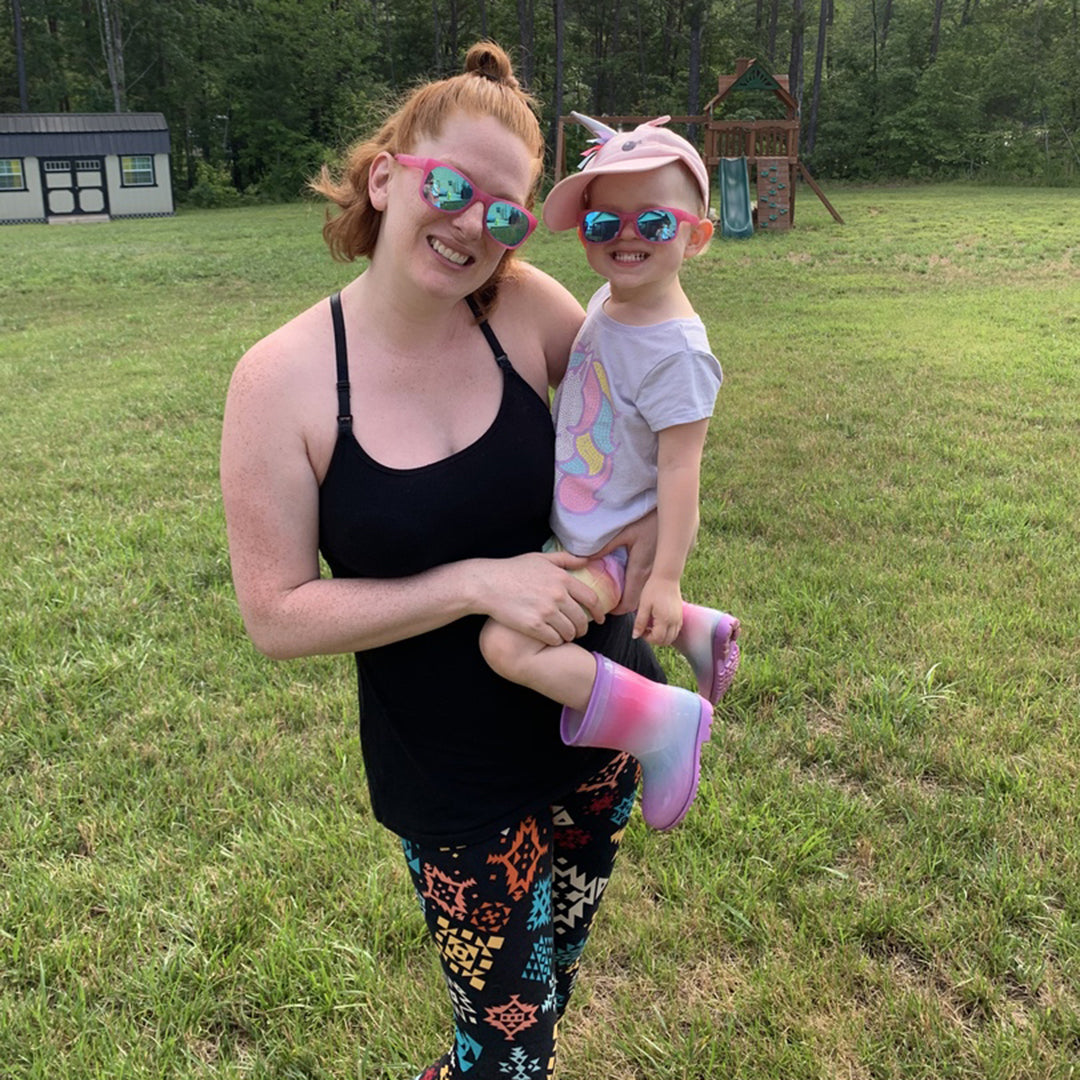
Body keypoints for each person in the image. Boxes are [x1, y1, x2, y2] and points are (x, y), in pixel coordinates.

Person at [221, 42, 670, 1080]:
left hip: (596, 721)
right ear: (386, 177)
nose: (474, 226)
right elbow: (275, 615)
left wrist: (641, 549)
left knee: (544, 996)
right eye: (452, 189)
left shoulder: (530, 313)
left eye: (506, 212)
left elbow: (647, 436)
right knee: (509, 1054)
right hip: (452, 778)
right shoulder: (281, 382)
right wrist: (473, 584)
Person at [479, 114, 741, 834]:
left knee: (506, 644)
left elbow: (681, 471)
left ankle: (661, 721)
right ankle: (699, 633)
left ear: (697, 236)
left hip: (614, 549)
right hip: (586, 526)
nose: (626, 236)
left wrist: (665, 578)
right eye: (603, 222)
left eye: (653, 222)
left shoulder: (678, 353)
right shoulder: (608, 304)